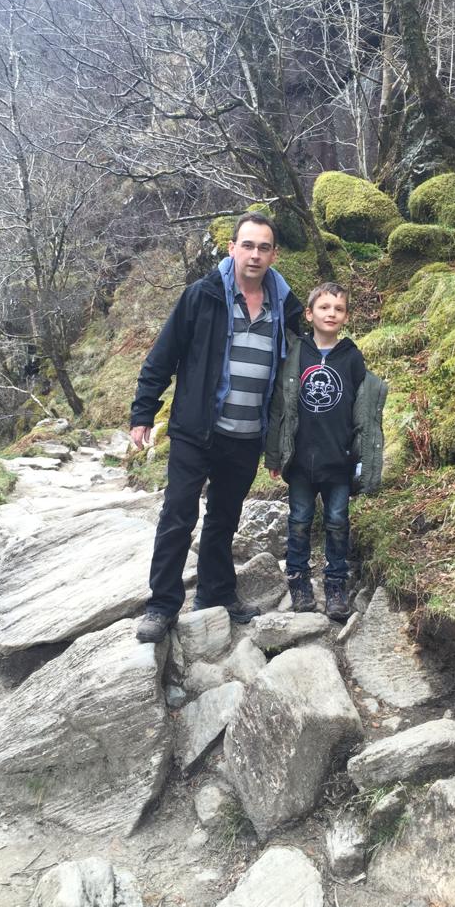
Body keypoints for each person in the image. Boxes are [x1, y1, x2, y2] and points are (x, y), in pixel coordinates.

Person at [131, 212, 303, 643]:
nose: (255, 254)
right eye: (248, 245)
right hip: (196, 429)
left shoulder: (286, 307)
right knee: (178, 514)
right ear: (232, 248)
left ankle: (216, 594)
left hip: (247, 434)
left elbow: (298, 368)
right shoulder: (202, 295)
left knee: (224, 518)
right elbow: (163, 355)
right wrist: (143, 412)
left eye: (264, 247)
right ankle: (162, 605)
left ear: (274, 255)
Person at [265, 282, 387, 621]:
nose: (331, 313)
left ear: (346, 316)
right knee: (299, 521)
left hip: (338, 460)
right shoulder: (296, 353)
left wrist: (363, 459)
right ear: (309, 314)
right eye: (324, 307)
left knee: (337, 522)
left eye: (338, 309)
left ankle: (336, 584)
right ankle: (299, 581)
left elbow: (364, 413)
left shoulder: (351, 356)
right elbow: (279, 408)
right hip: (300, 460)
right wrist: (274, 455)